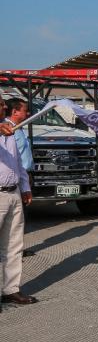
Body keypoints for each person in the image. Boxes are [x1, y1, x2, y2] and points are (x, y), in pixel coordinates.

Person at [0, 97, 38, 308]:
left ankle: (11, 290)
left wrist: (25, 187)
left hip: (13, 193)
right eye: (0, 104)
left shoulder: (11, 131)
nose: (5, 107)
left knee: (14, 245)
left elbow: (18, 163)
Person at [3, 98, 36, 257]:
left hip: (21, 178)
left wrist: (25, 184)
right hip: (6, 184)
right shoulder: (7, 129)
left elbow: (18, 157)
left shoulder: (18, 129)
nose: (28, 113)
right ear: (15, 111)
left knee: (18, 220)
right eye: (25, 110)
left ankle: (14, 250)